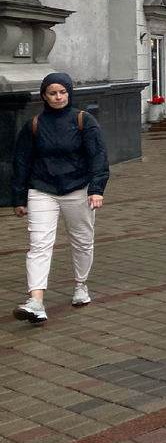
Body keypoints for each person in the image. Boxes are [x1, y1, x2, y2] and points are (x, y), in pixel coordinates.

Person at [11, 73, 109, 323]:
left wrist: (96, 189)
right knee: (39, 245)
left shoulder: (83, 120)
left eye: (62, 92)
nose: (58, 97)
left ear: (69, 93)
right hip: (42, 190)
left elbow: (98, 156)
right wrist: (19, 198)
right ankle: (36, 301)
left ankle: (80, 285)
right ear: (44, 95)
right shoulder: (34, 125)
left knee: (82, 241)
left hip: (78, 189)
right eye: (52, 93)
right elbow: (21, 162)